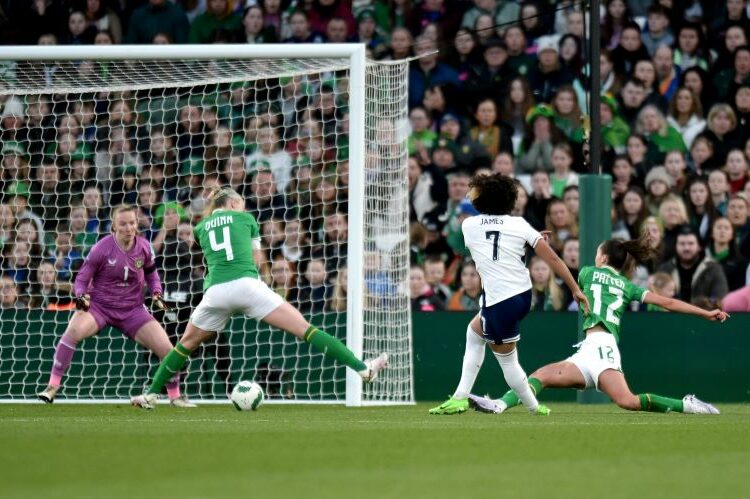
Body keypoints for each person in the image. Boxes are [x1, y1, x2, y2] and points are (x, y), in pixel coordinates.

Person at [131, 188, 388, 409]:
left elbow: (210, 235)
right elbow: (257, 259)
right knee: (306, 330)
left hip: (216, 292)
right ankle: (363, 369)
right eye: (240, 203)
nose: (242, 207)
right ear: (233, 203)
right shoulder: (247, 220)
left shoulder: (199, 227)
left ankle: (151, 395)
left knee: (183, 346)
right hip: (247, 285)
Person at [468, 233, 728, 415]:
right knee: (542, 376)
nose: (595, 258)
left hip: (601, 348)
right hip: (593, 348)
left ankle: (687, 405)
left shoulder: (588, 273)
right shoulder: (628, 287)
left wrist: (540, 244)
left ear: (603, 258)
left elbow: (560, 268)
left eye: (596, 254)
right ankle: (499, 405)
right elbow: (668, 303)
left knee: (628, 401)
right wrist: (705, 313)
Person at [429, 174, 589, 416]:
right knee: (474, 333)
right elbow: (553, 258)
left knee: (508, 362)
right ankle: (460, 396)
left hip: (499, 301)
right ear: (510, 200)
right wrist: (575, 289)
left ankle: (535, 409)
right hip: (522, 296)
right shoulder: (521, 225)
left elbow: (490, 245)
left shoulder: (468, 226)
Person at [37, 205, 195, 407]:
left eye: (132, 223)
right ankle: (52, 387)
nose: (128, 227)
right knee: (72, 332)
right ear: (114, 226)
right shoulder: (101, 248)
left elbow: (152, 275)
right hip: (100, 306)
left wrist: (156, 292)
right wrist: (81, 295)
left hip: (132, 310)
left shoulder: (145, 247)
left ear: (137, 224)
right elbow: (82, 278)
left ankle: (175, 397)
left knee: (168, 349)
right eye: (123, 223)